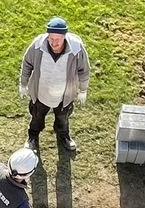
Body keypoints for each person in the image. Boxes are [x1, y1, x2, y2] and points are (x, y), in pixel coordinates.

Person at [17, 17, 90, 153]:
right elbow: (27, 63)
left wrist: (83, 90)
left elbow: (84, 70)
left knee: (63, 119)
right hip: (41, 93)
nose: (53, 43)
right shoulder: (37, 45)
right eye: (51, 38)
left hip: (64, 95)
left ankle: (64, 137)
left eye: (58, 39)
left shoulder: (76, 49)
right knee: (36, 118)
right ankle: (32, 137)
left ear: (65, 37)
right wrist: (23, 84)